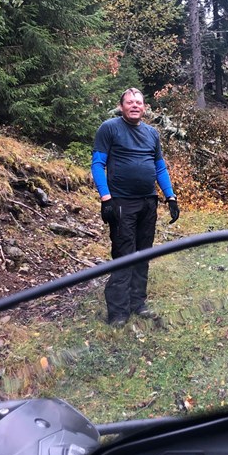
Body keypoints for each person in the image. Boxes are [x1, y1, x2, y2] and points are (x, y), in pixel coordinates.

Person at [91, 87, 180, 327]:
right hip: (121, 202)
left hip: (148, 202)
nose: (134, 106)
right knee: (124, 254)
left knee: (143, 253)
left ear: (144, 107)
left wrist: (170, 196)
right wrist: (106, 198)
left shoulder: (152, 133)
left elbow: (160, 167)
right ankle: (118, 312)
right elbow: (98, 164)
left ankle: (137, 303)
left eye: (138, 102)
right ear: (121, 107)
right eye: (129, 102)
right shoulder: (109, 128)